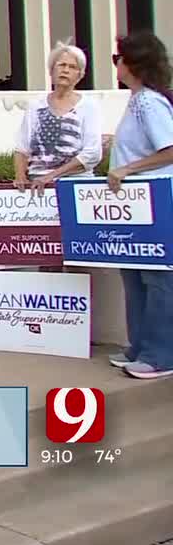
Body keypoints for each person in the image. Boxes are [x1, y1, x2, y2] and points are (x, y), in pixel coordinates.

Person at [105, 31, 173, 380]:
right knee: (133, 276)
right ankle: (139, 345)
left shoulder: (149, 102)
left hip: (156, 200)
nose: (115, 64)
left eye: (118, 58)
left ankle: (160, 353)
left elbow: (169, 148)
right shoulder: (135, 102)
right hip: (134, 204)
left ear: (133, 63)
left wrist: (127, 168)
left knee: (158, 279)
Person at [13, 42, 103, 192]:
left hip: (76, 184)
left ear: (80, 75)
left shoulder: (88, 107)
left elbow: (92, 154)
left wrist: (52, 176)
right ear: (51, 70)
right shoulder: (35, 106)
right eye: (61, 65)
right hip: (37, 186)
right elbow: (21, 148)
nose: (65, 70)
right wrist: (20, 176)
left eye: (72, 67)